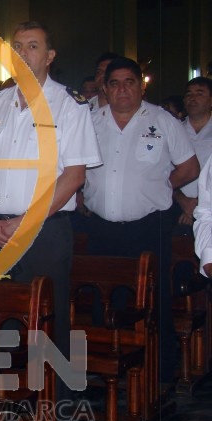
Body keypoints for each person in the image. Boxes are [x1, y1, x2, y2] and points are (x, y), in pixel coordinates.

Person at [0, 21, 102, 401]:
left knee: (47, 319)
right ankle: (2, 399)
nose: (22, 53)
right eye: (16, 46)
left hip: (44, 231)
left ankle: (54, 403)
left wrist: (24, 221)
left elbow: (74, 176)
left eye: (32, 46)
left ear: (49, 56)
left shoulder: (69, 105)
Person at [83, 56, 200, 383]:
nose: (122, 89)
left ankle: (159, 373)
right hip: (101, 228)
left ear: (141, 87)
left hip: (149, 227)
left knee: (154, 299)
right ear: (105, 88)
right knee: (105, 299)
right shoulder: (90, 122)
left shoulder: (162, 121)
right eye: (115, 83)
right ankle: (105, 372)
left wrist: (161, 185)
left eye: (129, 82)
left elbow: (190, 168)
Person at [172, 77, 212, 230]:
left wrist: (198, 205)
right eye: (188, 94)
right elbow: (163, 172)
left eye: (199, 93)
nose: (192, 98)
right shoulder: (174, 130)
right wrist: (184, 202)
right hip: (176, 206)